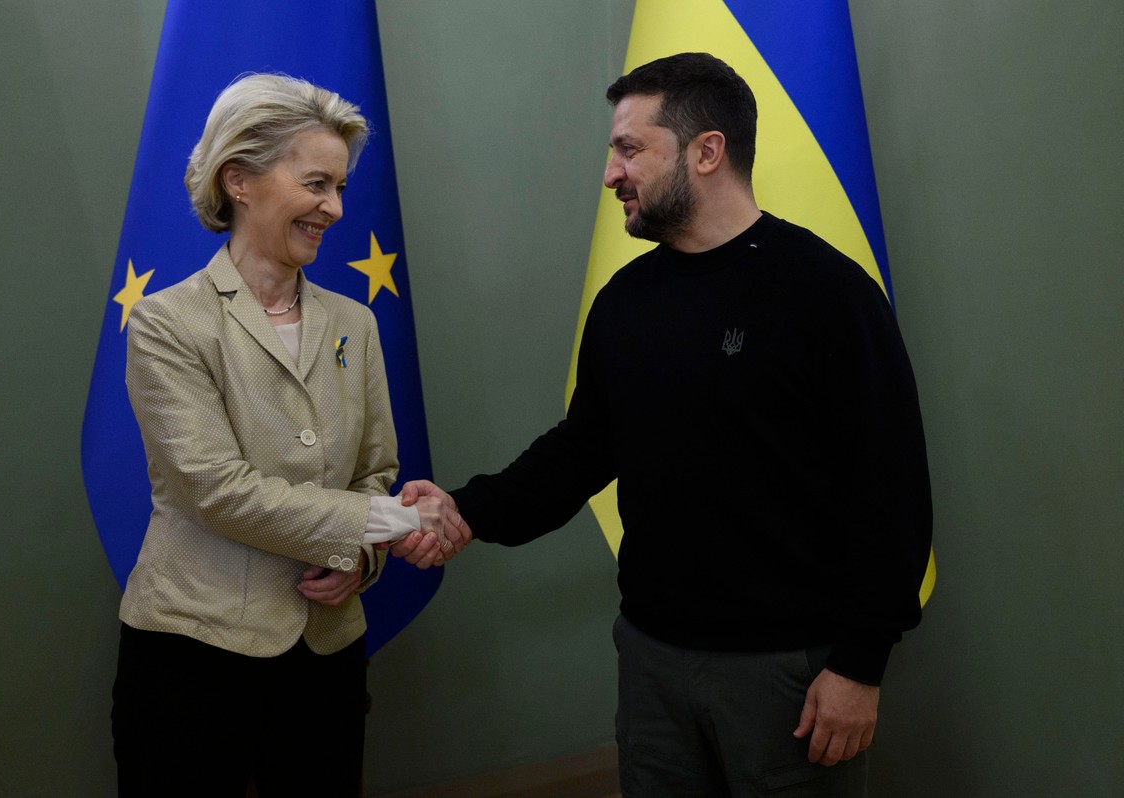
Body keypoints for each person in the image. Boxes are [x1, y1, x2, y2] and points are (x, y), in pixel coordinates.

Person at [396, 53, 932, 796]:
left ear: (706, 151)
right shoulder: (626, 300)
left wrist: (859, 666)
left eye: (629, 149)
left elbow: (891, 489)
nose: (610, 174)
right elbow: (582, 451)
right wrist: (465, 509)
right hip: (651, 659)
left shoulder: (827, 294)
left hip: (789, 673)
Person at [111, 73, 467, 797]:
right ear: (238, 180)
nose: (334, 208)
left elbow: (374, 469)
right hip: (193, 649)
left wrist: (361, 559)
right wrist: (396, 521)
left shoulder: (355, 323)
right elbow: (215, 490)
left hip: (326, 648)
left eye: (339, 187)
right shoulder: (167, 324)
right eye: (315, 184)